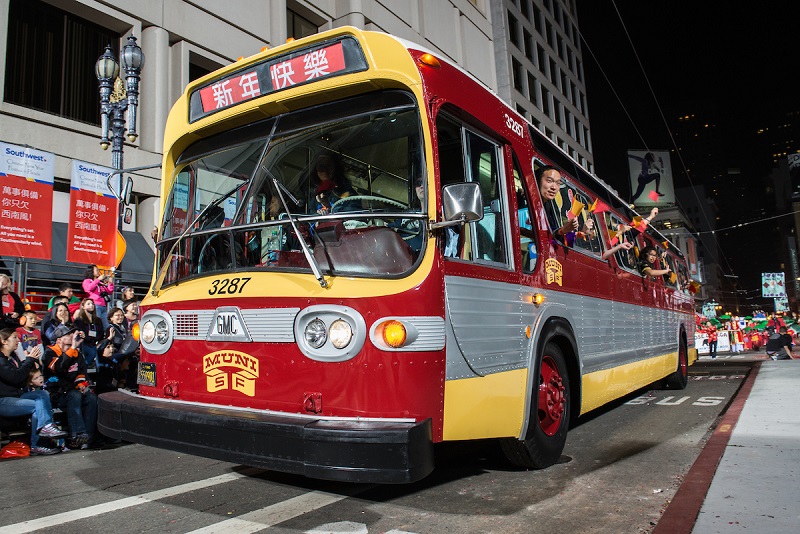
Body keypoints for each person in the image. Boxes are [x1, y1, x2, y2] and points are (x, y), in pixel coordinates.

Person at [0, 328, 66, 455]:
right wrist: (28, 360)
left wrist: (31, 363)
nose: (18, 341)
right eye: (14, 338)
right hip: (3, 401)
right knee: (38, 406)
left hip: (17, 397)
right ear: (4, 341)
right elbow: (15, 377)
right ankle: (43, 432)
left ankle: (38, 442)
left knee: (42, 394)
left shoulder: (12, 358)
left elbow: (21, 378)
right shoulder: (0, 360)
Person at [42, 324, 97, 448]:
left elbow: (82, 372)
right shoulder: (49, 352)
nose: (72, 336)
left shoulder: (77, 353)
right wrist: (72, 347)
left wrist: (82, 384)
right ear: (59, 340)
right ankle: (76, 435)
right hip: (56, 393)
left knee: (92, 398)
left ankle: (87, 437)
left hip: (73, 391)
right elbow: (59, 367)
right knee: (74, 395)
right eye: (68, 335)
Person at [537, 166, 579, 244]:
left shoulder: (549, 210)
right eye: (549, 181)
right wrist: (562, 231)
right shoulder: (524, 203)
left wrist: (570, 230)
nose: (554, 187)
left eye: (558, 183)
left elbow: (550, 239)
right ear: (537, 180)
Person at [73, 298, 104, 368]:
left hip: (94, 343)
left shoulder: (98, 320)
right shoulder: (79, 320)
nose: (91, 305)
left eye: (92, 304)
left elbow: (101, 333)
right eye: (88, 304)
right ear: (83, 307)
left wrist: (95, 339)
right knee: (91, 352)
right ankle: (84, 366)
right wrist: (87, 338)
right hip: (82, 344)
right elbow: (78, 333)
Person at [82, 264, 114, 332]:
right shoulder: (87, 281)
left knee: (106, 326)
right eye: (96, 270)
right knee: (96, 323)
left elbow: (109, 291)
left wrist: (110, 283)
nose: (98, 272)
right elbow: (89, 288)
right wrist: (98, 280)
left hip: (103, 305)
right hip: (95, 305)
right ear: (91, 272)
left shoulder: (100, 283)